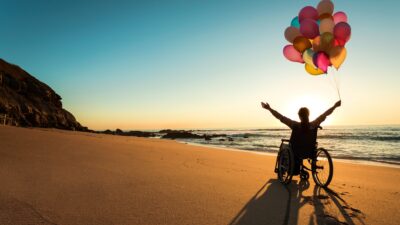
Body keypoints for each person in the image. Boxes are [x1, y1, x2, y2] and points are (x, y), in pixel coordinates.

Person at [261, 100, 341, 174]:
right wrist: (335, 106)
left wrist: (269, 109)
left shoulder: (294, 125)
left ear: (299, 116)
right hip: (309, 152)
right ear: (308, 115)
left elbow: (280, 117)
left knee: (284, 146)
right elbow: (325, 114)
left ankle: (282, 170)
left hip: (295, 152)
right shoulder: (314, 124)